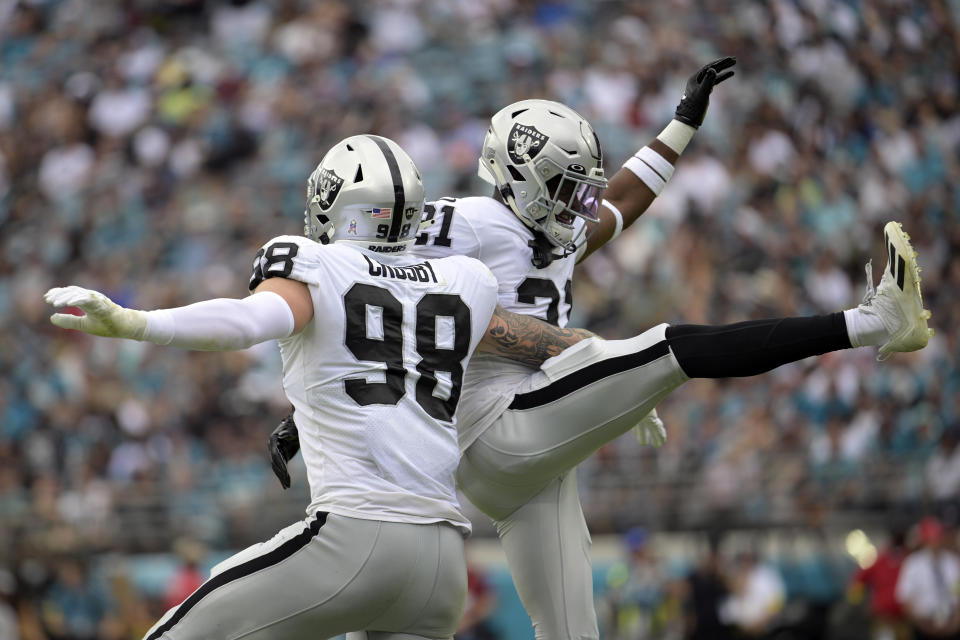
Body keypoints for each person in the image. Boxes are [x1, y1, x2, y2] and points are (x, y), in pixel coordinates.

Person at [273, 60, 934, 640]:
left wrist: (681, 127)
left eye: (579, 187)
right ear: (518, 177)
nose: (580, 202)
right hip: (492, 426)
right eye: (565, 188)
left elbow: (620, 201)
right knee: (670, 347)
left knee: (570, 629)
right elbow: (372, 286)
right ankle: (871, 323)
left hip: (538, 454)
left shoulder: (551, 232)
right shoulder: (468, 222)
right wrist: (307, 417)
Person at [43, 134, 599, 640]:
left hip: (355, 538)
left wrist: (137, 322)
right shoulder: (466, 280)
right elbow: (530, 337)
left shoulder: (316, 262)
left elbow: (248, 321)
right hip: (442, 564)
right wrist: (604, 368)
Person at [895, 516, 960, 640]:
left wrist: (956, 622)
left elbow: (957, 593)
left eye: (937, 538)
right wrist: (923, 625)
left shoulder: (952, 562)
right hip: (924, 623)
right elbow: (904, 598)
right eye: (931, 539)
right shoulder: (913, 564)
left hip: (951, 621)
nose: (934, 542)